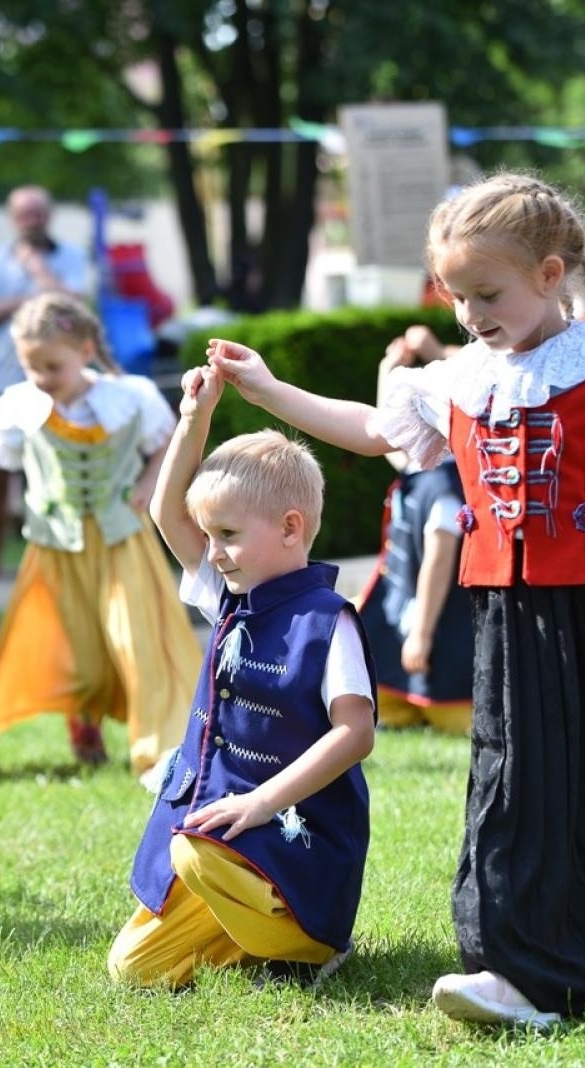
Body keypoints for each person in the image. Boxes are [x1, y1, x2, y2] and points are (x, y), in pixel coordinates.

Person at [204, 172, 585, 1025]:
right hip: (510, 620)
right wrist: (271, 389)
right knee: (518, 788)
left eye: (487, 292)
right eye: (456, 295)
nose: (469, 312)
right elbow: (372, 428)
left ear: (550, 274)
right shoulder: (465, 376)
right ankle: (520, 967)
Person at [109, 369, 376, 988]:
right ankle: (261, 944)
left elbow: (355, 734)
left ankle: (310, 943)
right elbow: (161, 509)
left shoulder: (328, 622)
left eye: (227, 535)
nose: (214, 551)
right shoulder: (225, 595)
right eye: (208, 536)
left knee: (192, 850)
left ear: (289, 528)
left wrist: (260, 802)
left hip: (293, 838)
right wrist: (195, 417)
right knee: (134, 970)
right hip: (218, 836)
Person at [0, 293, 200, 774]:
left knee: (139, 642)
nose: (42, 378)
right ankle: (85, 715)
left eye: (53, 365)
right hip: (56, 546)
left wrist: (150, 481)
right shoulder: (22, 406)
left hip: (122, 542)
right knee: (79, 650)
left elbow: (171, 438)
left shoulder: (130, 397)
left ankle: (159, 751)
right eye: (32, 367)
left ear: (87, 351)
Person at [355, 327, 472, 733]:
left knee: (449, 702)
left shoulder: (446, 489)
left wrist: (420, 634)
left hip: (439, 614)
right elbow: (389, 435)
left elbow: (438, 564)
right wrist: (388, 370)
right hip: (406, 599)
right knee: (385, 673)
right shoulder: (424, 466)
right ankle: (404, 705)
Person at [0, 186, 90, 575]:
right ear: (12, 218)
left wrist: (37, 270)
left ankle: (55, 553)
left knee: (55, 465)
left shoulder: (71, 255)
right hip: (8, 376)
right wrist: (38, 296)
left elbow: (75, 305)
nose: (31, 221)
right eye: (24, 214)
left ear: (49, 214)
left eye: (37, 213)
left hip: (60, 379)